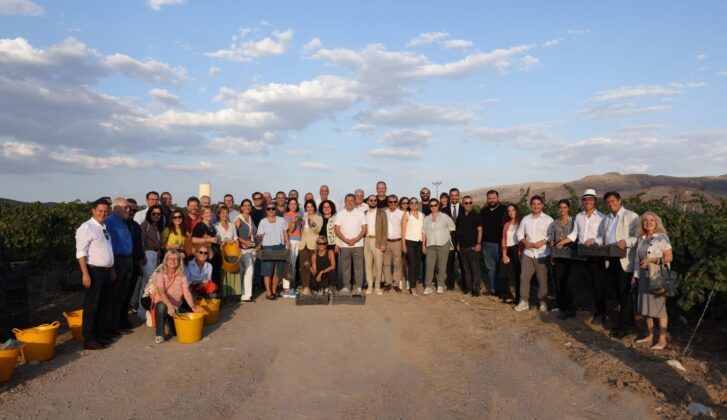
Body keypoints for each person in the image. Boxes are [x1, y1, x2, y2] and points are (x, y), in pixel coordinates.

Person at [556, 189, 606, 323]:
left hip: (596, 254)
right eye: (585, 199)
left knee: (597, 285)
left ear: (595, 201)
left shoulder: (602, 217)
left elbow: (603, 236)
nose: (587, 202)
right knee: (571, 282)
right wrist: (564, 241)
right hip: (580, 253)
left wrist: (595, 240)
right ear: (582, 201)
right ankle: (572, 310)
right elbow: (575, 234)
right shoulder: (578, 216)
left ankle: (600, 313)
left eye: (590, 199)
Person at [75, 198, 114, 350]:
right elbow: (80, 253)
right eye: (100, 211)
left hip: (105, 271)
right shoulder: (86, 228)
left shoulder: (103, 227)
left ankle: (99, 335)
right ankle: (89, 338)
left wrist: (111, 269)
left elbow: (107, 251)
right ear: (93, 210)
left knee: (103, 305)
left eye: (106, 211)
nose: (103, 213)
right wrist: (85, 274)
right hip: (93, 271)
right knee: (92, 306)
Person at [601, 191, 640, 339]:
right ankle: (626, 322)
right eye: (608, 202)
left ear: (619, 200)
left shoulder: (631, 216)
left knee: (625, 293)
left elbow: (638, 237)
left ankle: (625, 327)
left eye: (613, 201)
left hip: (625, 260)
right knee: (618, 293)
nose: (611, 204)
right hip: (611, 259)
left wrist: (626, 242)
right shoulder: (607, 219)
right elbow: (605, 238)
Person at [633, 212, 673, 349]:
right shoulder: (641, 239)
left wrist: (651, 260)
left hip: (657, 276)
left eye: (652, 220)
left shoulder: (662, 237)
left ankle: (662, 340)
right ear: (642, 223)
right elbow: (637, 260)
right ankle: (650, 335)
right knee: (646, 308)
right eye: (645, 220)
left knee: (659, 308)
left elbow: (669, 257)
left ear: (656, 223)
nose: (648, 222)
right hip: (643, 277)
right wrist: (635, 276)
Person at [151, 250, 204, 344]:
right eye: (170, 258)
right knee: (161, 306)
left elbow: (187, 293)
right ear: (166, 260)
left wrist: (193, 307)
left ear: (180, 262)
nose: (172, 260)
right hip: (164, 303)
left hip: (176, 306)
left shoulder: (182, 275)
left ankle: (169, 322)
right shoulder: (160, 274)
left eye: (176, 259)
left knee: (176, 332)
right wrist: (169, 305)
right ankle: (160, 334)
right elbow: (161, 292)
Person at [514, 195, 554, 313]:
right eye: (533, 204)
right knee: (524, 278)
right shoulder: (526, 219)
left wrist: (542, 242)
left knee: (542, 279)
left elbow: (551, 235)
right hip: (528, 254)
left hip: (542, 254)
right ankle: (524, 301)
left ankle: (543, 302)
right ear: (530, 205)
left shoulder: (548, 219)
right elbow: (519, 234)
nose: (536, 206)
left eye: (538, 204)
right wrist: (526, 242)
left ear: (542, 205)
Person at [105, 198, 134, 335]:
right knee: (115, 295)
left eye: (129, 208)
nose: (129, 210)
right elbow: (108, 245)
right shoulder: (110, 222)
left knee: (123, 294)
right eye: (125, 207)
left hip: (127, 260)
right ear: (115, 208)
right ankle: (110, 326)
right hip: (117, 261)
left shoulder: (123, 222)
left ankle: (117, 323)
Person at [334, 193, 367, 295]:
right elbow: (337, 229)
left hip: (358, 245)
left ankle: (358, 287)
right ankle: (347, 286)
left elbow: (364, 228)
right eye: (347, 201)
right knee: (346, 267)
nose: (349, 202)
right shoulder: (340, 214)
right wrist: (345, 240)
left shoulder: (360, 213)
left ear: (355, 202)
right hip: (344, 245)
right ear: (344, 202)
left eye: (352, 201)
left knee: (358, 267)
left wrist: (356, 239)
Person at [422, 198, 455, 295]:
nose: (433, 207)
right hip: (430, 244)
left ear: (438, 205)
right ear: (429, 207)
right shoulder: (426, 218)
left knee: (442, 265)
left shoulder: (444, 216)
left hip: (443, 244)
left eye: (435, 205)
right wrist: (423, 245)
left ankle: (440, 285)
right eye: (431, 205)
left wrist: (443, 234)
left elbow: (452, 227)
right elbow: (424, 232)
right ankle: (428, 286)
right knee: (429, 265)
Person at [257, 202, 289, 300]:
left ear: (276, 209)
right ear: (266, 210)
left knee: (278, 272)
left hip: (280, 247)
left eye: (273, 208)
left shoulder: (282, 220)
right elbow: (260, 235)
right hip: (267, 248)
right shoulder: (262, 221)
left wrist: (288, 244)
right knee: (267, 272)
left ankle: (274, 290)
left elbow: (285, 233)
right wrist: (258, 245)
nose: (271, 210)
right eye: (268, 209)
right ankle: (268, 292)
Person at [138, 204, 164, 323]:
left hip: (154, 255)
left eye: (158, 214)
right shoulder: (145, 225)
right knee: (151, 283)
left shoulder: (157, 227)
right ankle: (149, 311)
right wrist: (142, 255)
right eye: (154, 213)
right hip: (147, 254)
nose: (156, 216)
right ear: (149, 214)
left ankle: (142, 312)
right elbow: (141, 241)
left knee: (145, 285)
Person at [548, 199, 573, 312]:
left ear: (568, 208)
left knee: (569, 281)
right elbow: (552, 240)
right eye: (560, 207)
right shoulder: (554, 224)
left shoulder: (574, 222)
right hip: (558, 256)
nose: (562, 210)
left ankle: (570, 305)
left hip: (571, 256)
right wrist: (552, 255)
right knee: (558, 281)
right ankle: (560, 305)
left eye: (565, 207)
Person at [480, 190, 507, 295]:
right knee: (490, 268)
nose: (491, 200)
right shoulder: (484, 211)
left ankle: (503, 291)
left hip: (500, 244)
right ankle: (493, 289)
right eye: (489, 198)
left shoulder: (504, 210)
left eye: (493, 198)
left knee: (501, 268)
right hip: (486, 244)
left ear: (498, 198)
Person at [456, 195, 483, 296]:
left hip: (473, 247)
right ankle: (468, 288)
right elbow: (459, 231)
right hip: (462, 247)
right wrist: (458, 243)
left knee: (475, 269)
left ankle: (476, 289)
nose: (468, 205)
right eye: (466, 203)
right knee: (466, 269)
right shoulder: (461, 216)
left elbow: (480, 230)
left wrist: (478, 243)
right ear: (463, 204)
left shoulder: (476, 215)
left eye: (470, 203)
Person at [191, 206, 221, 289]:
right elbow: (193, 239)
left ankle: (215, 296)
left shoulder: (211, 227)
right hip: (205, 256)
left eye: (210, 212)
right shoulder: (199, 226)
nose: (209, 214)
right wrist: (208, 239)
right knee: (207, 277)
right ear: (202, 215)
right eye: (206, 213)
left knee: (215, 275)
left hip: (214, 255)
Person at [125, 198, 145, 323]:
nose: (131, 211)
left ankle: (124, 319)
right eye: (129, 209)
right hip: (123, 261)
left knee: (130, 288)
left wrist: (142, 257)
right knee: (122, 291)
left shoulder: (135, 225)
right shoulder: (120, 224)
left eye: (133, 210)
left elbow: (139, 244)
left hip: (135, 260)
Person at [233, 199, 256, 303]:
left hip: (250, 248)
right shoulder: (238, 219)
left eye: (249, 205)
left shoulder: (250, 218)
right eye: (245, 205)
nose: (247, 207)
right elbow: (233, 234)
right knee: (248, 270)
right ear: (241, 207)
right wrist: (244, 241)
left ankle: (244, 294)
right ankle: (245, 295)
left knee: (247, 272)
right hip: (242, 249)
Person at [215, 206, 240, 300]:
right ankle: (223, 297)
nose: (224, 215)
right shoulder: (215, 226)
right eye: (222, 213)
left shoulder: (232, 225)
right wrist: (222, 242)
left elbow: (236, 239)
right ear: (219, 214)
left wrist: (237, 247)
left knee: (231, 272)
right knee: (222, 275)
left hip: (231, 253)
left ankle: (230, 295)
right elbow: (215, 241)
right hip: (221, 252)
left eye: (226, 213)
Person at [298, 200, 323, 295]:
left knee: (314, 267)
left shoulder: (319, 218)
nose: (310, 208)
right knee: (304, 266)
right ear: (305, 208)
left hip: (313, 245)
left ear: (314, 207)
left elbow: (318, 230)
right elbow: (301, 231)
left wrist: (313, 224)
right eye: (308, 206)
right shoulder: (303, 217)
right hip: (303, 245)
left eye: (311, 206)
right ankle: (306, 287)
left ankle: (315, 286)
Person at [364, 194, 387, 295]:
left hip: (377, 240)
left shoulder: (382, 213)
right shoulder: (364, 213)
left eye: (374, 200)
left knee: (378, 265)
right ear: (368, 202)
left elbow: (385, 229)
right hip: (366, 240)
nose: (373, 202)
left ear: (376, 202)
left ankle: (377, 287)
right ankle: (370, 286)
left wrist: (383, 243)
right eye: (371, 200)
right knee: (368, 265)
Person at [500, 203, 522, 303]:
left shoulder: (522, 223)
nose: (511, 212)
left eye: (513, 210)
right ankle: (508, 295)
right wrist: (504, 254)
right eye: (509, 211)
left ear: (516, 210)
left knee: (518, 275)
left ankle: (518, 298)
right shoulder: (506, 224)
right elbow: (504, 239)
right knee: (503, 275)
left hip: (518, 250)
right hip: (507, 250)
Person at [382, 194, 405, 292]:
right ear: (388, 202)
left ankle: (396, 284)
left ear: (397, 202)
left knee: (397, 264)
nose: (393, 203)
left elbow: (404, 229)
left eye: (395, 201)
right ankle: (388, 283)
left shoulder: (401, 214)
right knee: (386, 264)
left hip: (397, 241)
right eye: (390, 201)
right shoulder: (384, 213)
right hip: (386, 241)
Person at [442, 188, 463, 290]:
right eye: (452, 195)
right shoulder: (444, 210)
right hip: (448, 239)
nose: (454, 197)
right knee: (449, 262)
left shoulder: (464, 209)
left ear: (459, 196)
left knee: (463, 263)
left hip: (462, 240)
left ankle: (464, 283)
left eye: (456, 195)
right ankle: (450, 284)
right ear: (449, 197)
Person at [401, 197, 423, 295]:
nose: (414, 204)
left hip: (419, 242)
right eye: (412, 203)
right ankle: (412, 287)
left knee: (418, 264)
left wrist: (424, 244)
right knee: (412, 264)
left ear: (417, 204)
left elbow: (423, 231)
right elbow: (403, 232)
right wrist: (403, 245)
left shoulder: (422, 215)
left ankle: (414, 283)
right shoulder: (406, 215)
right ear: (409, 205)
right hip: (409, 242)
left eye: (415, 203)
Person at [283, 198, 303, 297]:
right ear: (288, 205)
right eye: (291, 204)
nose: (293, 205)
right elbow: (290, 230)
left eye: (295, 204)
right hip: (290, 241)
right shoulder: (286, 216)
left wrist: (300, 219)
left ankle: (290, 288)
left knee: (293, 265)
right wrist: (295, 220)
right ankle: (286, 289)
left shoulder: (299, 215)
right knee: (288, 264)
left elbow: (301, 230)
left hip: (298, 241)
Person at [319, 200, 338, 291]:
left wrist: (337, 244)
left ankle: (333, 285)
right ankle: (324, 284)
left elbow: (338, 232)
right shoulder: (319, 219)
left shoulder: (336, 219)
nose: (326, 209)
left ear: (332, 208)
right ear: (322, 209)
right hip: (321, 245)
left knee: (333, 265)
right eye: (324, 207)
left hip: (333, 245)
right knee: (323, 264)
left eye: (328, 207)